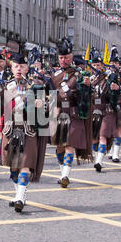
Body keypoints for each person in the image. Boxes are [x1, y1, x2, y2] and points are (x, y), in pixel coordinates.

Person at [0, 53, 48, 213]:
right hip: (10, 129)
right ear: (11, 68)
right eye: (16, 66)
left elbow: (48, 105)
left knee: (25, 164)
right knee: (13, 166)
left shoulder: (36, 85)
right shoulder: (6, 85)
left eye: (22, 66)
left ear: (27, 68)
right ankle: (20, 193)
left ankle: (20, 196)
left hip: (28, 129)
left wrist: (42, 103)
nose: (19, 69)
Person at [50, 39, 93, 188]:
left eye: (66, 57)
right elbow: (49, 94)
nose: (63, 60)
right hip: (59, 114)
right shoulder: (54, 75)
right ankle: (63, 172)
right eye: (61, 58)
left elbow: (88, 94)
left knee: (70, 145)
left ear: (71, 57)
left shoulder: (79, 74)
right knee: (60, 147)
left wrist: (87, 86)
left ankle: (66, 175)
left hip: (74, 114)